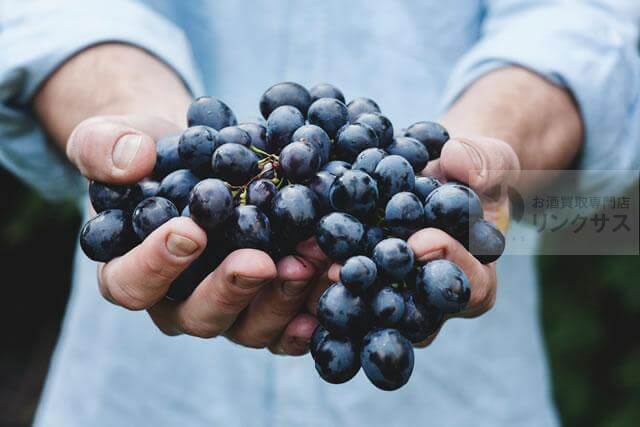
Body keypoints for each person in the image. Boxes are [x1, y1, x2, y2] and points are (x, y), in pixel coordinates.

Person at [1, 1, 638, 426]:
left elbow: (587, 20)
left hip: (458, 394)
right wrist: (126, 118)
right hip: (144, 395)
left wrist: (492, 143)